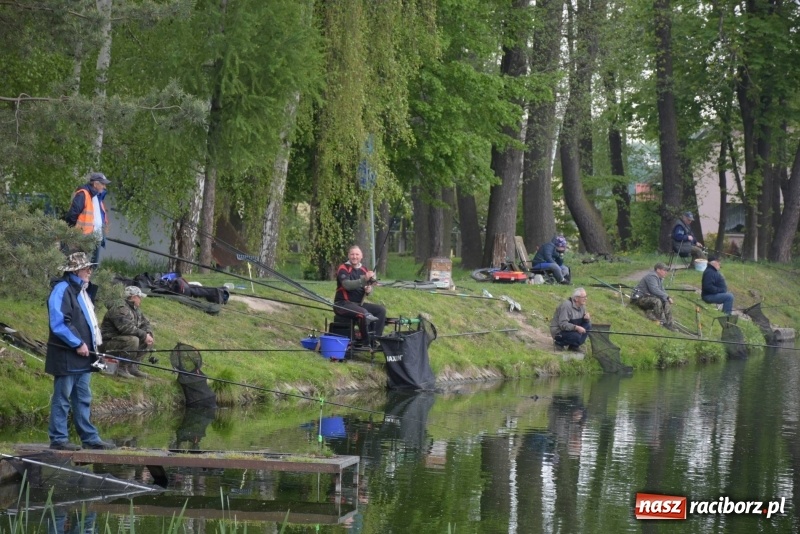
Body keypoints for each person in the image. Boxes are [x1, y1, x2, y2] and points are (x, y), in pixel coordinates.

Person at [45, 252, 115, 451]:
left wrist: (95, 350)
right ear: (75, 270)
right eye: (87, 268)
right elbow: (59, 323)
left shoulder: (82, 290)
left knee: (83, 398)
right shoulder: (62, 289)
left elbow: (90, 324)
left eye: (90, 268)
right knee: (62, 398)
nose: (90, 271)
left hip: (84, 356)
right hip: (67, 355)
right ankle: (58, 439)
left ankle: (90, 438)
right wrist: (77, 343)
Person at [334, 245, 387, 348]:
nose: (354, 257)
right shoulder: (343, 268)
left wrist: (369, 290)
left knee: (381, 310)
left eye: (357, 254)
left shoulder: (364, 270)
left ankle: (374, 339)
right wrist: (364, 280)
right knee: (363, 313)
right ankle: (366, 342)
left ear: (361, 256)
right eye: (352, 254)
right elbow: (347, 285)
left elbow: (369, 289)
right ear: (348, 255)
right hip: (342, 304)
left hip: (359, 304)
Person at [101, 286, 154, 379]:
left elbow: (146, 323)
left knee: (147, 338)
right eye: (139, 297)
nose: (140, 299)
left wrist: (148, 333)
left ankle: (133, 367)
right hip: (107, 342)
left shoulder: (135, 309)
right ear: (133, 297)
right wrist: (144, 335)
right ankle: (121, 368)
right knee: (133, 340)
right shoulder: (120, 308)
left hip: (121, 340)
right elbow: (126, 328)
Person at [64, 172, 111, 266]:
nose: (104, 187)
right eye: (103, 184)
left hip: (95, 239)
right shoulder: (83, 194)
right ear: (95, 184)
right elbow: (71, 216)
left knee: (91, 268)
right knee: (79, 268)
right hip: (83, 240)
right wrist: (77, 233)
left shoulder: (97, 197)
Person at [631, 262, 675, 330]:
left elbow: (662, 291)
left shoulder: (659, 279)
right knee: (657, 301)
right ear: (658, 270)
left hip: (647, 298)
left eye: (667, 271)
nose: (666, 272)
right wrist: (667, 297)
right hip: (638, 298)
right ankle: (661, 322)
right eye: (664, 270)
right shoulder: (652, 276)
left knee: (665, 301)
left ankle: (670, 325)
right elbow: (654, 290)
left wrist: (667, 298)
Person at [550, 287, 592, 352]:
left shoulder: (582, 306)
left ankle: (574, 346)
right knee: (576, 336)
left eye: (586, 296)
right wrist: (576, 327)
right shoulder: (566, 306)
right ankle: (559, 344)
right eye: (583, 297)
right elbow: (563, 324)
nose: (586, 298)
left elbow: (582, 323)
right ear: (576, 298)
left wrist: (586, 319)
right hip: (558, 332)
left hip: (570, 329)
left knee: (588, 325)